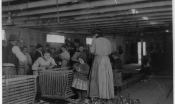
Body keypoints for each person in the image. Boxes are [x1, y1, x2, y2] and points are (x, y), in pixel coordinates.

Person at [89, 28, 115, 100]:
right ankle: (106, 94)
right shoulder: (107, 40)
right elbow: (109, 52)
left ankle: (98, 95)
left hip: (98, 59)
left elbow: (92, 51)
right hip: (106, 60)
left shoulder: (94, 40)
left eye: (93, 35)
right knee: (105, 77)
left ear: (96, 34)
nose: (92, 36)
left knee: (98, 77)